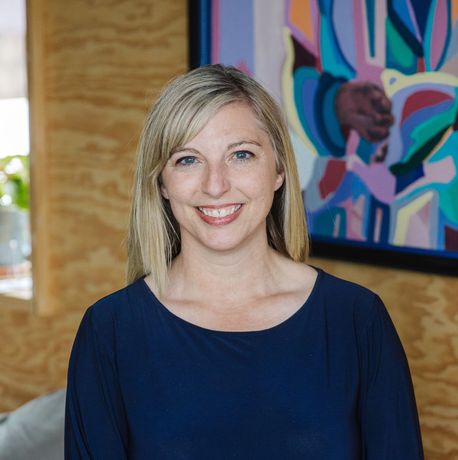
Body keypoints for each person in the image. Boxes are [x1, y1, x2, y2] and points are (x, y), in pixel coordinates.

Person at [64, 64, 424, 459]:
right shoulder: (111, 332)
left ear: (279, 170)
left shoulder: (355, 320)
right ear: (162, 182)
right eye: (188, 159)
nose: (215, 185)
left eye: (241, 155)